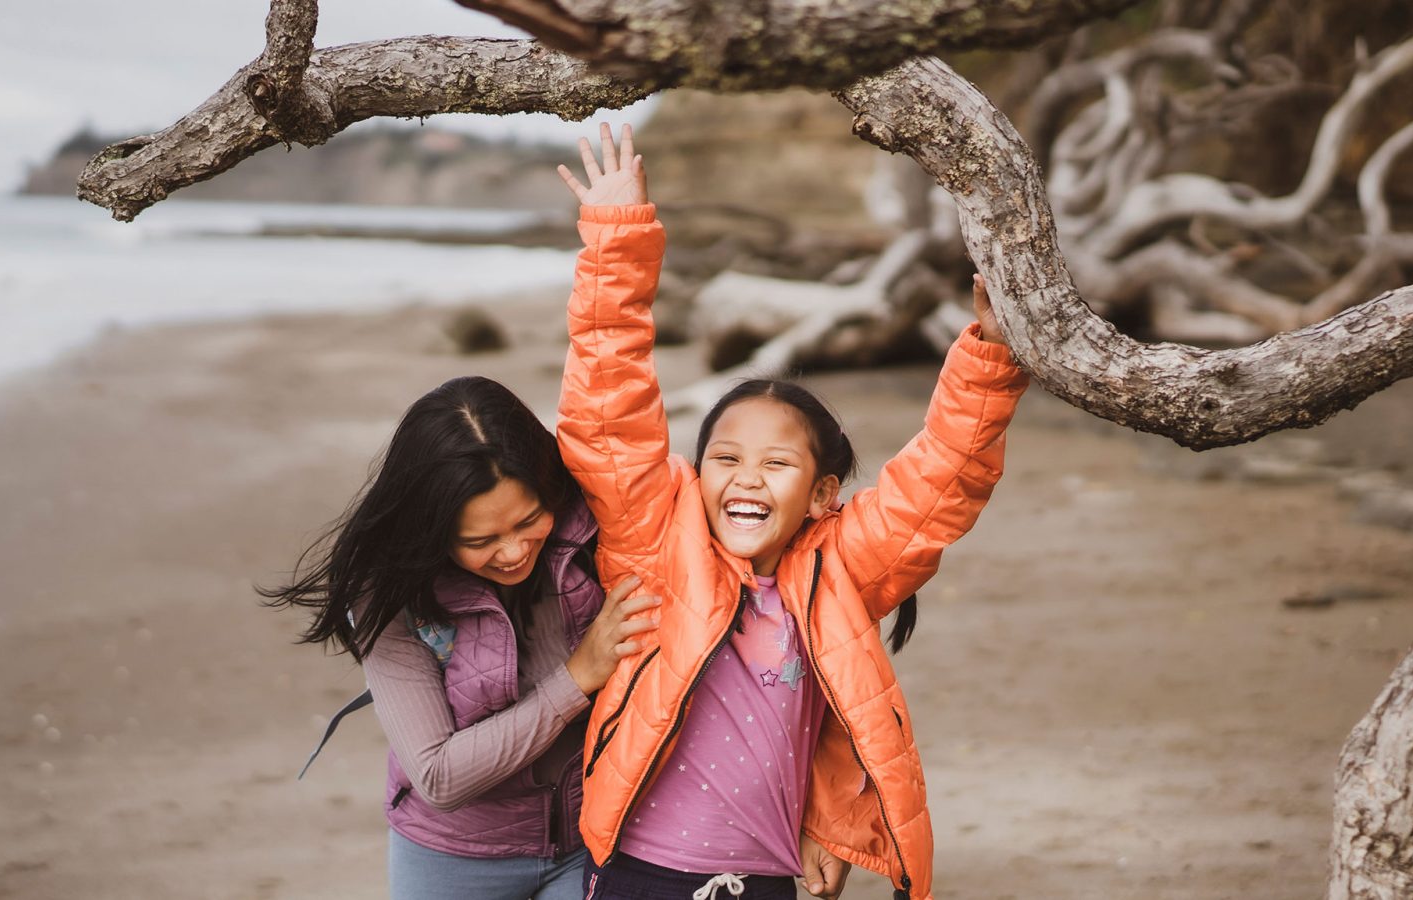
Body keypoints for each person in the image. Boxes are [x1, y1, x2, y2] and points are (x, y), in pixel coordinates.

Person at [553, 125, 1029, 900]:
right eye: (726, 459)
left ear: (821, 495)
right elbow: (607, 408)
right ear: (692, 473)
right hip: (639, 873)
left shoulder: (841, 569)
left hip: (769, 879)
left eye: (776, 464)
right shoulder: (655, 542)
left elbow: (940, 480)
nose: (746, 479)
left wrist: (991, 355)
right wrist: (615, 240)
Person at [263, 375, 661, 900]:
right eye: (481, 540)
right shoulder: (388, 594)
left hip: (593, 841)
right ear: (432, 529)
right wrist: (577, 679)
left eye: (528, 520)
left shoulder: (596, 538)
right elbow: (438, 775)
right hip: (451, 858)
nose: (514, 551)